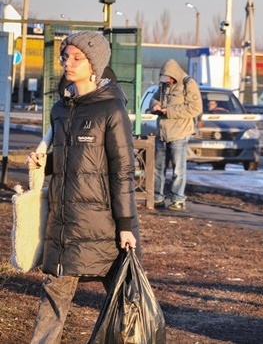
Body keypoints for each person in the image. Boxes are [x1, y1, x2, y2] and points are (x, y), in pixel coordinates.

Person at [26, 31, 140, 344]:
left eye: (78, 58)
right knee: (53, 295)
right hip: (64, 224)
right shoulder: (60, 109)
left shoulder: (111, 111)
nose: (68, 63)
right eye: (66, 56)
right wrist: (44, 164)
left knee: (127, 299)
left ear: (95, 65)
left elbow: (123, 171)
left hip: (103, 226)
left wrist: (126, 225)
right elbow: (69, 162)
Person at [149, 59, 202, 211]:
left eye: (170, 78)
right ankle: (157, 197)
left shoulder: (188, 84)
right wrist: (155, 105)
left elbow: (195, 108)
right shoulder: (163, 85)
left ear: (175, 75)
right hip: (162, 133)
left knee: (178, 170)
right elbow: (155, 98)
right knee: (158, 168)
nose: (168, 81)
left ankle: (177, 199)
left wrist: (170, 111)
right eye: (165, 79)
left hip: (179, 133)